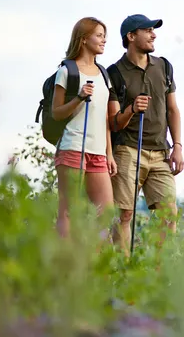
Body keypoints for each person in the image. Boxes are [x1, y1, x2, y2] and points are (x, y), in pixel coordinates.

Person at [106, 14, 184, 257]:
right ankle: (122, 269)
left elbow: (172, 109)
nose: (154, 35)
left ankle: (160, 271)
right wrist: (131, 109)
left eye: (154, 30)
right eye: (147, 30)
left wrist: (178, 146)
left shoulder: (164, 66)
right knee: (124, 214)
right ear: (131, 37)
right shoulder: (114, 73)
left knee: (168, 212)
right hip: (128, 149)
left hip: (160, 152)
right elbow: (113, 123)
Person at [52, 16, 117, 239]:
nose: (104, 40)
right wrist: (79, 98)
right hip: (72, 147)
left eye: (104, 36)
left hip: (98, 153)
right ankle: (65, 265)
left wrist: (109, 153)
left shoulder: (103, 74)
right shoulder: (67, 72)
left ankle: (92, 263)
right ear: (83, 39)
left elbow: (105, 119)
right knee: (68, 211)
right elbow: (56, 112)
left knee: (106, 211)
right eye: (99, 35)